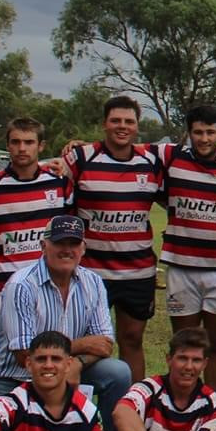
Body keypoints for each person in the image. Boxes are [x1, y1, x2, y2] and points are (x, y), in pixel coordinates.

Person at [0, 216, 133, 431]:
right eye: (59, 243)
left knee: (118, 372)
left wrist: (77, 364)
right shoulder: (21, 285)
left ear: (83, 248)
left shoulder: (93, 281)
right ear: (43, 246)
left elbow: (104, 345)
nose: (67, 250)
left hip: (69, 369)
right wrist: (81, 346)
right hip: (18, 378)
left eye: (73, 244)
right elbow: (24, 356)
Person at [65, 94, 167, 380]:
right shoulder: (81, 157)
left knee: (132, 339)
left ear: (137, 126)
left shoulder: (151, 162)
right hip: (90, 272)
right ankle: (75, 409)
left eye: (129, 121)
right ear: (104, 124)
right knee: (84, 341)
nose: (122, 126)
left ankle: (134, 408)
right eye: (115, 121)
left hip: (137, 271)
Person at [160, 103, 216, 397]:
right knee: (183, 343)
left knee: (215, 344)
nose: (204, 138)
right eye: (198, 132)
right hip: (182, 266)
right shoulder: (171, 158)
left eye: (210, 132)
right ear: (189, 133)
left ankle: (211, 408)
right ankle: (181, 404)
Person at [0, 116, 72, 335]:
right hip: (5, 286)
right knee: (8, 359)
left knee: (51, 355)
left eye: (29, 142)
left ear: (41, 146)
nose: (22, 148)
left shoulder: (58, 183)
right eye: (16, 142)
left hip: (49, 286)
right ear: (8, 145)